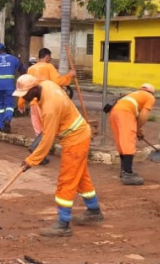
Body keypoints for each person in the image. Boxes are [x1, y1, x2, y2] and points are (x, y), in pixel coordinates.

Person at [15, 74, 104, 237]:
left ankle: (63, 224)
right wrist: (22, 99)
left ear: (34, 89)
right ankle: (94, 210)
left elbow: (47, 141)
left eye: (25, 95)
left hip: (75, 140)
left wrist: (31, 161)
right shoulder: (47, 84)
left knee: (66, 181)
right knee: (81, 177)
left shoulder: (50, 109)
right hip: (80, 134)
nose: (25, 98)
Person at [109, 83, 156, 185]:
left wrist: (137, 129)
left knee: (121, 140)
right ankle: (128, 173)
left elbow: (134, 119)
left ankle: (124, 170)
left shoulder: (133, 94)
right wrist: (136, 129)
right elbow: (143, 116)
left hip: (114, 112)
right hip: (125, 113)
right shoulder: (150, 97)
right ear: (152, 92)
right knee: (128, 141)